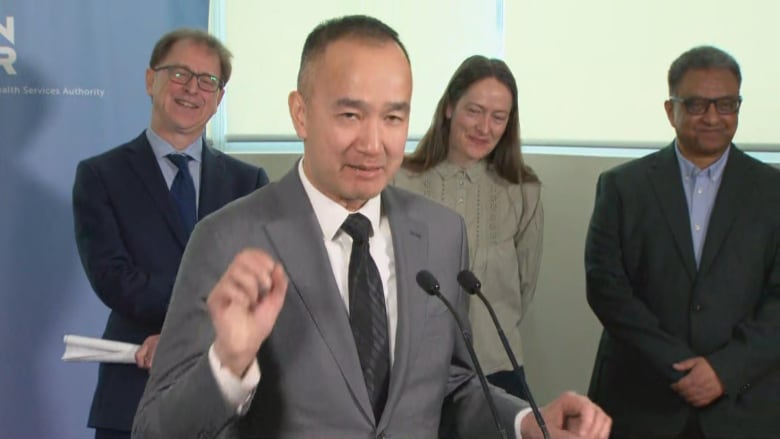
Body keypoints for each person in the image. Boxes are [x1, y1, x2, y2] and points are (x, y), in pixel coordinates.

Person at [133, 15, 610, 439]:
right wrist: (228, 365)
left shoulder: (441, 234)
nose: (373, 143)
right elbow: (154, 428)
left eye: (393, 117)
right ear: (301, 113)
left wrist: (527, 423)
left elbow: (448, 386)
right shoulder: (228, 237)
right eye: (349, 115)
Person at [73, 28, 269, 439]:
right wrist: (198, 317)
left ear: (219, 99)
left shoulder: (249, 183)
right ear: (151, 80)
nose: (192, 89)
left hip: (225, 391)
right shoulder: (100, 175)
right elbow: (112, 276)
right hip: (133, 384)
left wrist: (187, 333)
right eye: (179, 74)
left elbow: (258, 282)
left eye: (207, 81)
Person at [585, 45, 780, 439]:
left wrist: (724, 371)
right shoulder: (622, 187)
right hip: (640, 402)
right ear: (669, 109)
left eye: (726, 104)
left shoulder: (772, 191)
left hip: (744, 406)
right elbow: (607, 290)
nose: (712, 117)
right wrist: (679, 366)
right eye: (696, 104)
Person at [395, 55, 543, 398]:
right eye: (474, 111)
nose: (484, 128)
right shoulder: (399, 181)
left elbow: (525, 286)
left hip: (497, 366)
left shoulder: (524, 191)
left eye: (498, 117)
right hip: (415, 367)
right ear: (449, 107)